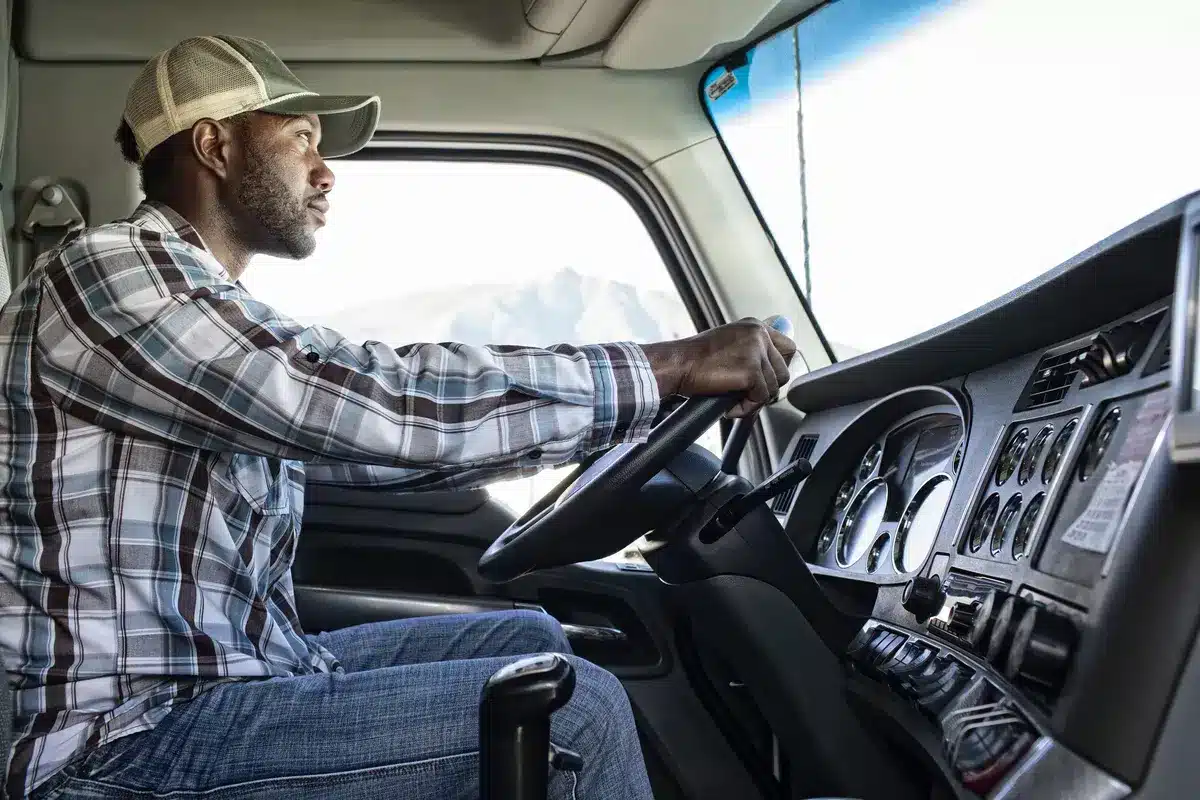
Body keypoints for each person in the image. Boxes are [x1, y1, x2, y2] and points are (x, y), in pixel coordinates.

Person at [0, 35, 795, 800]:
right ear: (214, 146)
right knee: (574, 712)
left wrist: (627, 417)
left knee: (530, 640)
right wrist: (668, 367)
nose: (325, 171)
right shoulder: (107, 271)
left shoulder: (208, 313)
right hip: (123, 743)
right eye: (302, 139)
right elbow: (367, 402)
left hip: (239, 679)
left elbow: (387, 454)